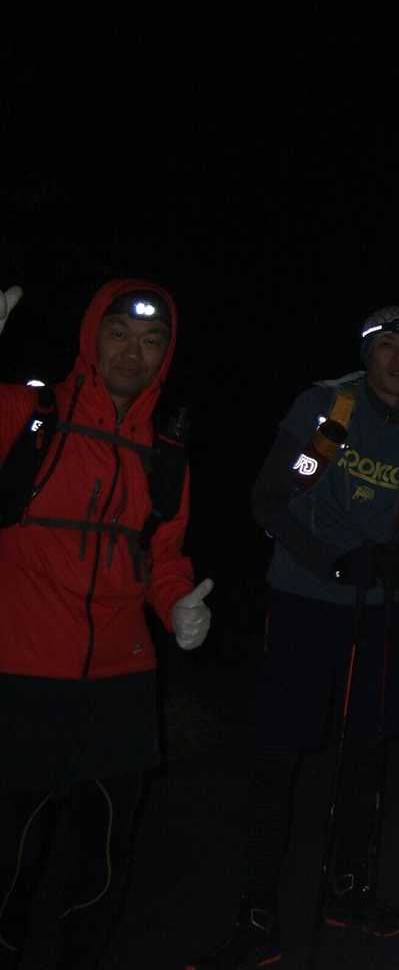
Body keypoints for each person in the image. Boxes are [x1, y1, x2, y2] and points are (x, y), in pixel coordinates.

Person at [189, 305, 399, 968]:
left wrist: (398, 561)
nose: (398, 359)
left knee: (365, 755)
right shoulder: (327, 411)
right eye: (386, 345)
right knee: (280, 757)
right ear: (366, 353)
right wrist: (329, 560)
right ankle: (256, 916)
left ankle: (347, 890)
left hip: (376, 611)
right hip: (305, 602)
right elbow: (269, 498)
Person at [0, 279, 213, 969]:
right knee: (10, 854)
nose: (132, 353)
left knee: (102, 859)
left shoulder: (166, 453)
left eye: (151, 341)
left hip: (122, 680)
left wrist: (177, 605)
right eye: (118, 333)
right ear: (91, 336)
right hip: (22, 669)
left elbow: (163, 555)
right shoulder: (26, 412)